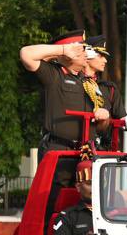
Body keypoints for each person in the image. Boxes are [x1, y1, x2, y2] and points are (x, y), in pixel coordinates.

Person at [20, 30, 94, 159]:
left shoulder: (88, 81)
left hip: (85, 152)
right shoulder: (54, 74)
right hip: (59, 151)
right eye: (81, 50)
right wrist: (63, 49)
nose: (86, 54)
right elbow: (26, 54)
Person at [82, 35, 127, 149]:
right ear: (88, 55)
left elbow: (121, 117)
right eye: (101, 56)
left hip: (101, 148)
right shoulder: (75, 83)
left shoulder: (109, 88)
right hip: (76, 145)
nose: (105, 60)